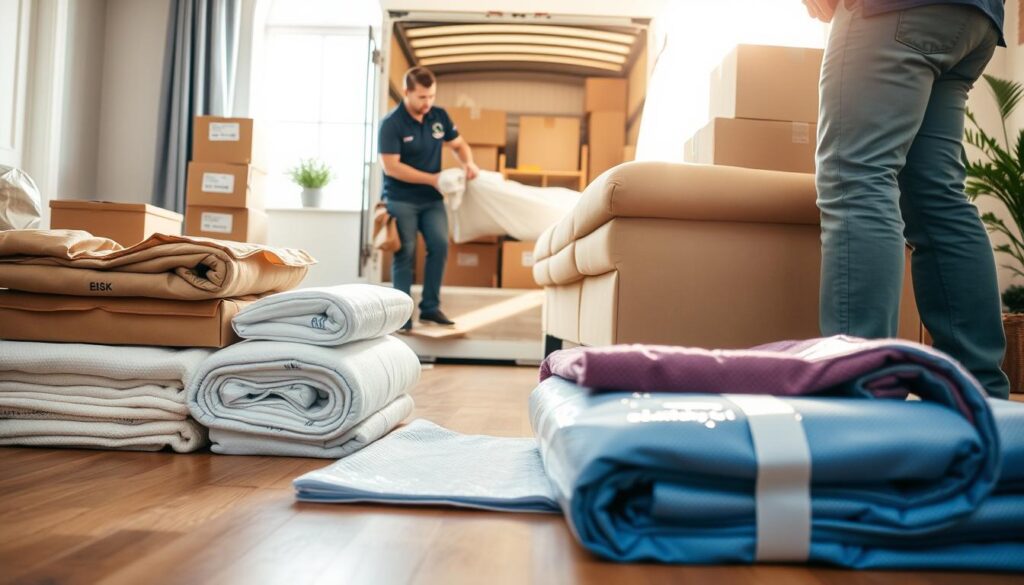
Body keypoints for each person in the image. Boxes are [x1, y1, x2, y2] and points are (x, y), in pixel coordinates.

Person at [805, 0, 1011, 398]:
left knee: (856, 177)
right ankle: (978, 393)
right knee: (937, 197)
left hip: (894, 10)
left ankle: (860, 387)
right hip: (976, 17)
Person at [378, 66, 480, 332]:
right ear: (407, 92)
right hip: (401, 198)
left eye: (432, 96)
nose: (428, 102)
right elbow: (391, 167)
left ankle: (430, 308)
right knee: (406, 251)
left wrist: (468, 162)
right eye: (422, 97)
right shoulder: (391, 124)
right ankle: (402, 315)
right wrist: (433, 179)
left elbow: (459, 145)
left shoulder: (439, 116)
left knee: (439, 245)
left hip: (432, 199)